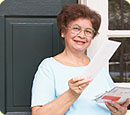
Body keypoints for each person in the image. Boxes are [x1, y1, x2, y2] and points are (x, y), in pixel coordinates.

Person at [31, 4, 130, 115]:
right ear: (63, 32)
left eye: (88, 31)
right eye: (76, 28)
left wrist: (119, 112)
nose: (82, 35)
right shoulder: (49, 67)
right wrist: (71, 94)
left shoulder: (98, 66)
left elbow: (113, 104)